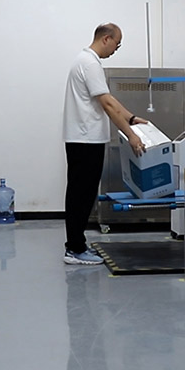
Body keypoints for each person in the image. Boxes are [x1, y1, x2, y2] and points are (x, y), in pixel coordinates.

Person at [62, 23, 148, 265]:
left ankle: (76, 244)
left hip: (83, 139)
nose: (115, 50)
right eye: (117, 45)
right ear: (106, 39)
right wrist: (131, 135)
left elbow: (108, 99)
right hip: (85, 140)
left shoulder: (85, 61)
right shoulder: (90, 64)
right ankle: (75, 249)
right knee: (81, 195)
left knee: (82, 193)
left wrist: (131, 117)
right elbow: (108, 105)